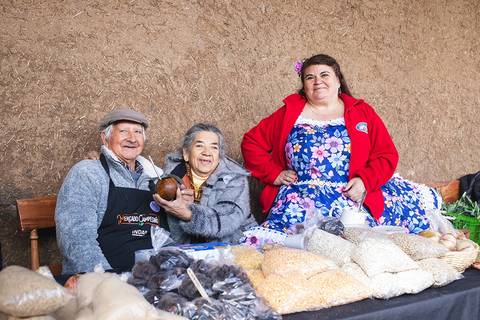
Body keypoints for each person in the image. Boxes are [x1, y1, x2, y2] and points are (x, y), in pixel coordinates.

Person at [241, 54, 441, 244]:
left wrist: (365, 181)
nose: (317, 81)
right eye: (310, 77)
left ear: (338, 81)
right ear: (304, 86)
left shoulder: (362, 112)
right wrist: (273, 173)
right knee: (299, 244)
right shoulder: (289, 113)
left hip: (350, 195)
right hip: (300, 198)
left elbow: (386, 154)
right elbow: (251, 142)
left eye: (324, 75)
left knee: (360, 243)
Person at [55, 108, 169, 274]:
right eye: (123, 131)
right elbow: (76, 239)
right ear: (105, 138)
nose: (132, 138)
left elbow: (172, 237)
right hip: (105, 281)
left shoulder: (156, 179)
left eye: (138, 132)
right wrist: (108, 280)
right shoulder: (88, 173)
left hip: (154, 278)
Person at [153, 123, 257, 244]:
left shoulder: (234, 178)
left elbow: (229, 218)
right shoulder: (170, 179)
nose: (207, 152)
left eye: (214, 147)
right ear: (186, 153)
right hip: (188, 250)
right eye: (199, 146)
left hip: (236, 245)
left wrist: (189, 213)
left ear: (219, 156)